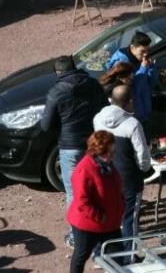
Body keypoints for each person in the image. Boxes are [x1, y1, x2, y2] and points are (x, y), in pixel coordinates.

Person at [39, 56, 107, 210]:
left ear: (58, 72)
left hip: (70, 146)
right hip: (93, 143)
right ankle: (99, 227)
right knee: (95, 187)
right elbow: (105, 108)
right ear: (74, 67)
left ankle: (76, 232)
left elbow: (46, 125)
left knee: (74, 191)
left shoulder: (56, 91)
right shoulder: (93, 84)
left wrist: (60, 133)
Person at [66, 130, 124, 273]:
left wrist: (120, 205)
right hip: (88, 224)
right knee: (81, 255)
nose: (111, 155)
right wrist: (100, 217)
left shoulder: (106, 164)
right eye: (108, 152)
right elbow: (82, 201)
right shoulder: (84, 169)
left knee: (118, 255)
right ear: (97, 151)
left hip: (109, 222)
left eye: (112, 152)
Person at [92, 86, 151, 247]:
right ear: (129, 102)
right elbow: (143, 157)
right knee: (129, 219)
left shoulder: (98, 119)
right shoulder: (132, 124)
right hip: (128, 178)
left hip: (106, 175)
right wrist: (144, 168)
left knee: (109, 217)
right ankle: (129, 258)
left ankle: (105, 255)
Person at [105, 32, 157, 124]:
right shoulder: (122, 63)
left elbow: (151, 82)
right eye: (142, 51)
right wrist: (144, 68)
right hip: (135, 116)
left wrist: (150, 67)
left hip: (144, 108)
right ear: (132, 47)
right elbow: (133, 90)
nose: (146, 54)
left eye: (147, 50)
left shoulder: (140, 60)